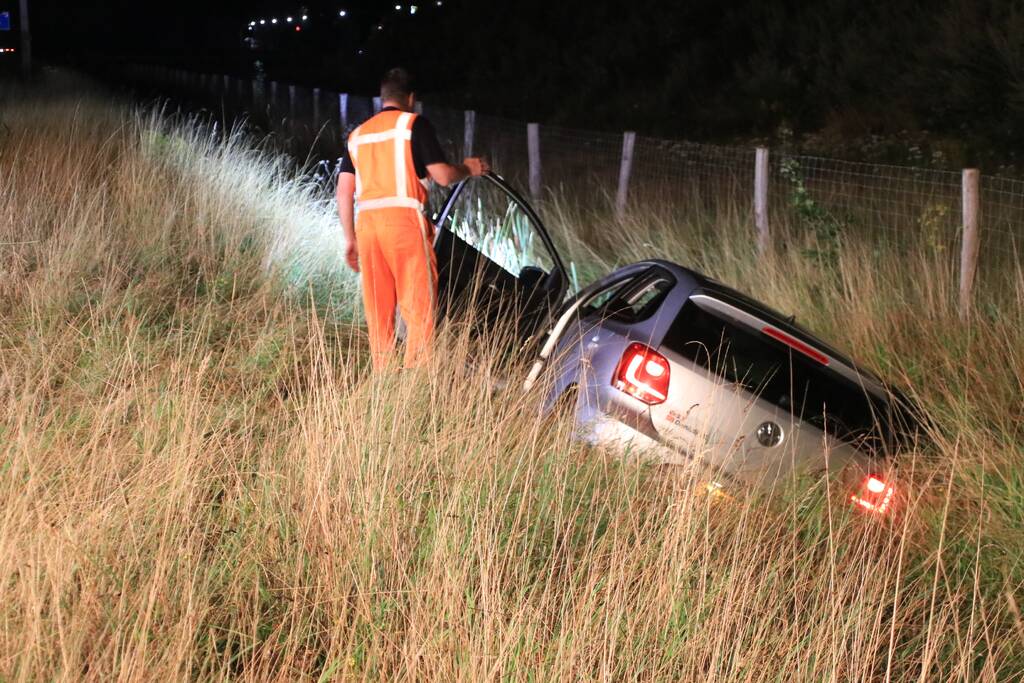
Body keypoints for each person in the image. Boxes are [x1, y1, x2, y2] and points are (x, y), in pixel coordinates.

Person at [337, 67, 489, 370]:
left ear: (382, 99)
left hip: (367, 228)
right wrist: (469, 169)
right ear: (411, 98)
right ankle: (415, 381)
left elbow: (343, 192)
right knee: (419, 311)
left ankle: (384, 378)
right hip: (404, 224)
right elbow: (443, 176)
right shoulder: (413, 125)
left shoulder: (358, 136)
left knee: (378, 311)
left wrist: (350, 239)